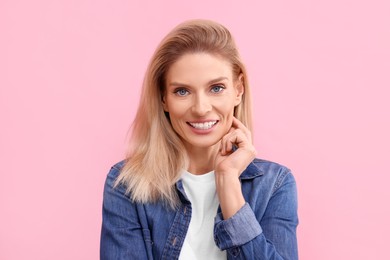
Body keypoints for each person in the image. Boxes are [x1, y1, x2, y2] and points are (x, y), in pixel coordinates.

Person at [100, 19, 298, 260]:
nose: (201, 108)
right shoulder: (127, 185)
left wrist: (228, 182)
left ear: (238, 89)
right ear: (164, 99)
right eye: (182, 91)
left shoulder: (275, 185)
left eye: (216, 88)